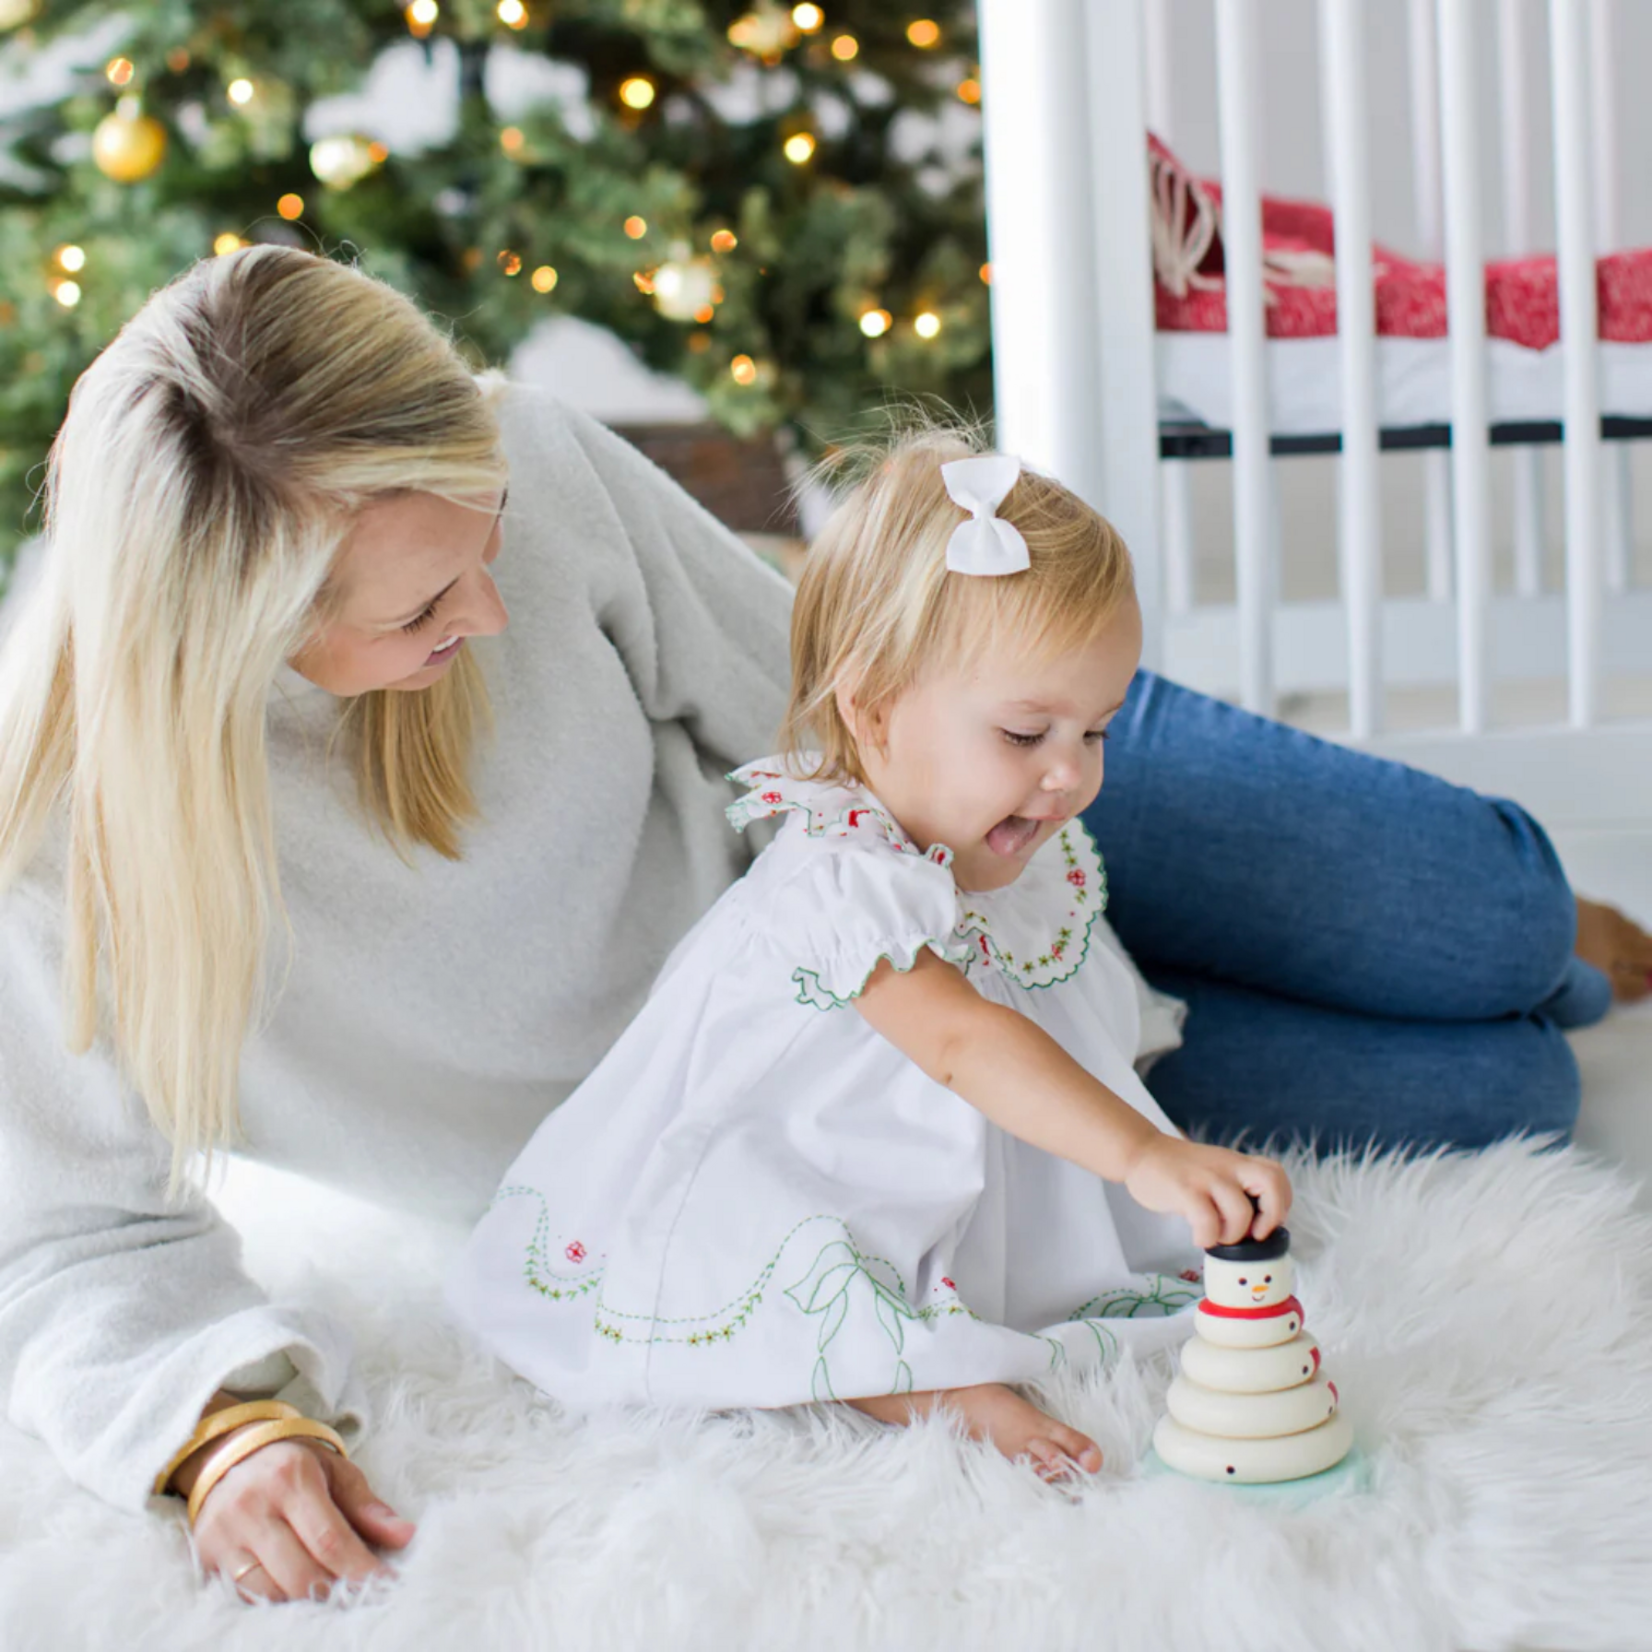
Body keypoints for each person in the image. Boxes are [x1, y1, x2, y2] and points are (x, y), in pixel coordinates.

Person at [0, 246, 1643, 1603]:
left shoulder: (540, 471)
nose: (489, 614)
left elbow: (802, 695)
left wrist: (1028, 911)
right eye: (421, 611)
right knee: (1499, 1101)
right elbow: (71, 1229)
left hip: (922, 777)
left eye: (481, 538)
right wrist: (217, 1428)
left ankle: (1527, 938)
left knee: (1483, 920)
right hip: (827, 1089)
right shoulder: (66, 844)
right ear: (231, 637)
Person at [446, 436, 1295, 1477]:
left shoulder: (1009, 840)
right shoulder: (843, 876)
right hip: (810, 1148)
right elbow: (960, 1039)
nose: (1069, 773)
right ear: (873, 709)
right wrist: (1139, 1154)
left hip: (963, 1148)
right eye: (1026, 732)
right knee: (794, 1251)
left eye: (1097, 730)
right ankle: (906, 1370)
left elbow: (1050, 1009)